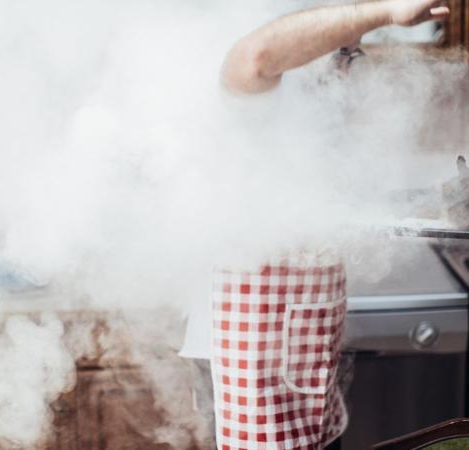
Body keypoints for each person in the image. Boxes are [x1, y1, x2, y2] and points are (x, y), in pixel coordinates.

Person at [180, 1, 450, 449]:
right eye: (341, 52)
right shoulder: (253, 90)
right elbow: (257, 55)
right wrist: (387, 11)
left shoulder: (315, 113)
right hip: (250, 362)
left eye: (353, 55)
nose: (349, 65)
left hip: (300, 354)